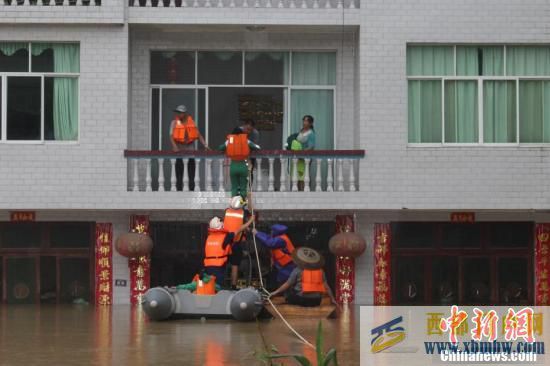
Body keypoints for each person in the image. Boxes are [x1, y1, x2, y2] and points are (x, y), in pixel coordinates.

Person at [203, 215, 255, 287]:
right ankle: (232, 287)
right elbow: (239, 229)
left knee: (209, 287)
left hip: (208, 267)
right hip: (218, 267)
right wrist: (250, 221)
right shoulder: (226, 237)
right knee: (217, 287)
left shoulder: (209, 237)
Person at [169, 105, 208, 191]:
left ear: (184, 113)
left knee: (191, 172)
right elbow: (171, 136)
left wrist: (205, 145)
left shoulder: (191, 122)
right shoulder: (174, 123)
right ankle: (179, 189)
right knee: (179, 171)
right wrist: (175, 146)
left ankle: (191, 189)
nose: (178, 114)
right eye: (177, 112)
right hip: (179, 149)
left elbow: (198, 135)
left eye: (180, 113)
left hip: (190, 149)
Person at [218, 127, 260, 200]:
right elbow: (257, 147)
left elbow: (220, 148)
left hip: (233, 167)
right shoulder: (246, 140)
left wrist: (225, 150)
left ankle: (234, 206)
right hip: (243, 166)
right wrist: (251, 149)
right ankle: (242, 205)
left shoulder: (229, 140)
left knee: (234, 187)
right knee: (243, 188)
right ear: (242, 134)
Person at [269, 264, 337, 307]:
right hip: (316, 301)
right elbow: (326, 287)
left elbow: (287, 284)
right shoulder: (320, 270)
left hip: (302, 300)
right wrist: (333, 299)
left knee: (288, 293)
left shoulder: (298, 269)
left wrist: (275, 292)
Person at [223, 196, 251, 290]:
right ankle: (233, 286)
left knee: (222, 264)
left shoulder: (226, 211)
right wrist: (249, 198)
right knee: (235, 266)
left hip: (225, 242)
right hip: (236, 244)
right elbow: (246, 225)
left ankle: (221, 285)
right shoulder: (243, 213)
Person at [290, 115, 316, 191]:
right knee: (297, 175)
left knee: (304, 175)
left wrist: (302, 152)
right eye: (304, 120)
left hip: (305, 157)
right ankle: (297, 191)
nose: (304, 122)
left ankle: (304, 191)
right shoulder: (301, 130)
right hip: (297, 157)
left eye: (307, 121)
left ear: (310, 123)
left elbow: (311, 146)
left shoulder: (311, 133)